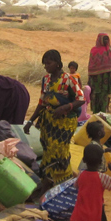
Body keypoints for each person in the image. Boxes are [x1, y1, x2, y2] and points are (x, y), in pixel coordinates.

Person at [25, 50, 85, 185]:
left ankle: (63, 181)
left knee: (60, 151)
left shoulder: (69, 79)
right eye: (44, 64)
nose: (46, 66)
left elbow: (81, 98)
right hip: (48, 121)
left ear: (57, 64)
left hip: (65, 122)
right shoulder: (45, 80)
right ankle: (49, 179)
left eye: (48, 63)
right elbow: (42, 102)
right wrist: (30, 121)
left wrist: (65, 107)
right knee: (47, 148)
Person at [87, 33, 111, 115]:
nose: (106, 41)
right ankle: (95, 114)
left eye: (107, 39)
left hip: (105, 78)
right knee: (95, 96)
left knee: (104, 96)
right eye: (104, 39)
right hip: (95, 79)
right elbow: (91, 64)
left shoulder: (109, 50)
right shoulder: (93, 50)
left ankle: (103, 114)